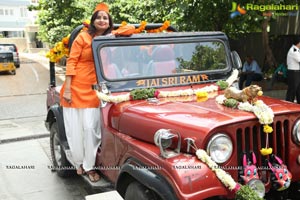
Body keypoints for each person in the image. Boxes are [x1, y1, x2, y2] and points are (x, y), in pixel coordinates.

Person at [60, 2, 113, 182]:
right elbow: (71, 61)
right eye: (98, 17)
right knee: (76, 130)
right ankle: (79, 164)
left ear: (109, 22)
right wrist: (67, 89)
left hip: (95, 89)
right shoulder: (83, 37)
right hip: (74, 87)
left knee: (91, 129)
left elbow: (126, 32)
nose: (101, 20)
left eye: (105, 18)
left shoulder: (109, 38)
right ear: (93, 21)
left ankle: (90, 166)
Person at [285, 36, 300, 103]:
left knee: (298, 90)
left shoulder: (296, 50)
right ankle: (289, 105)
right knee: (292, 90)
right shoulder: (293, 51)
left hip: (297, 72)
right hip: (293, 73)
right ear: (298, 43)